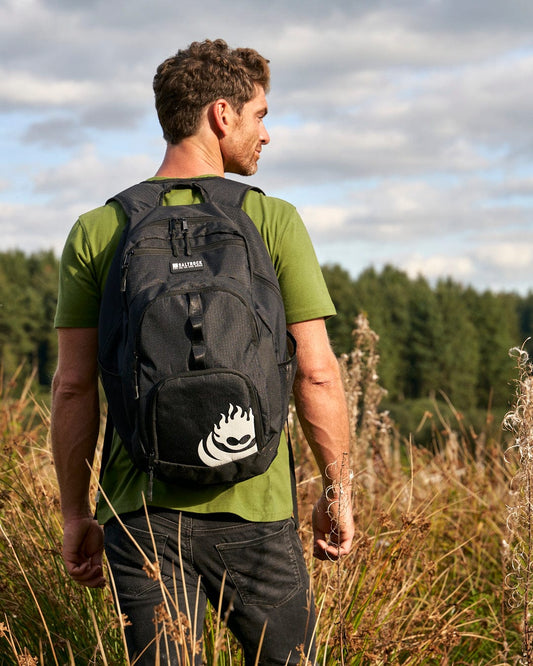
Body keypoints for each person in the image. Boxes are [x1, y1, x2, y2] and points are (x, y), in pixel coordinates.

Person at [51, 39, 354, 665]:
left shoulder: (98, 229)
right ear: (222, 115)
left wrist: (77, 514)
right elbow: (318, 374)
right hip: (259, 510)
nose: (266, 134)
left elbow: (74, 387)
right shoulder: (273, 222)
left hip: (141, 513)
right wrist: (337, 490)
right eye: (261, 115)